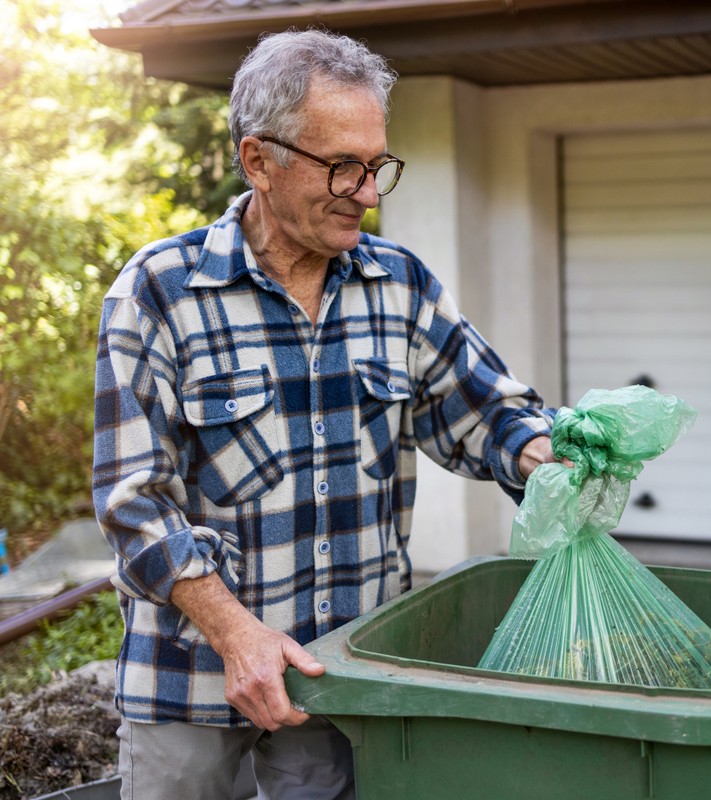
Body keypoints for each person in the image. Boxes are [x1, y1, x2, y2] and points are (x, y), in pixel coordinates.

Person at [92, 29, 556, 799]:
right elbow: (132, 502)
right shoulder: (158, 292)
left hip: (343, 684)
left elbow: (486, 413)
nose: (369, 192)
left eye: (376, 166)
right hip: (191, 684)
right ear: (258, 161)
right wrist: (238, 636)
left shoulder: (399, 285)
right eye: (342, 166)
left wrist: (547, 454)